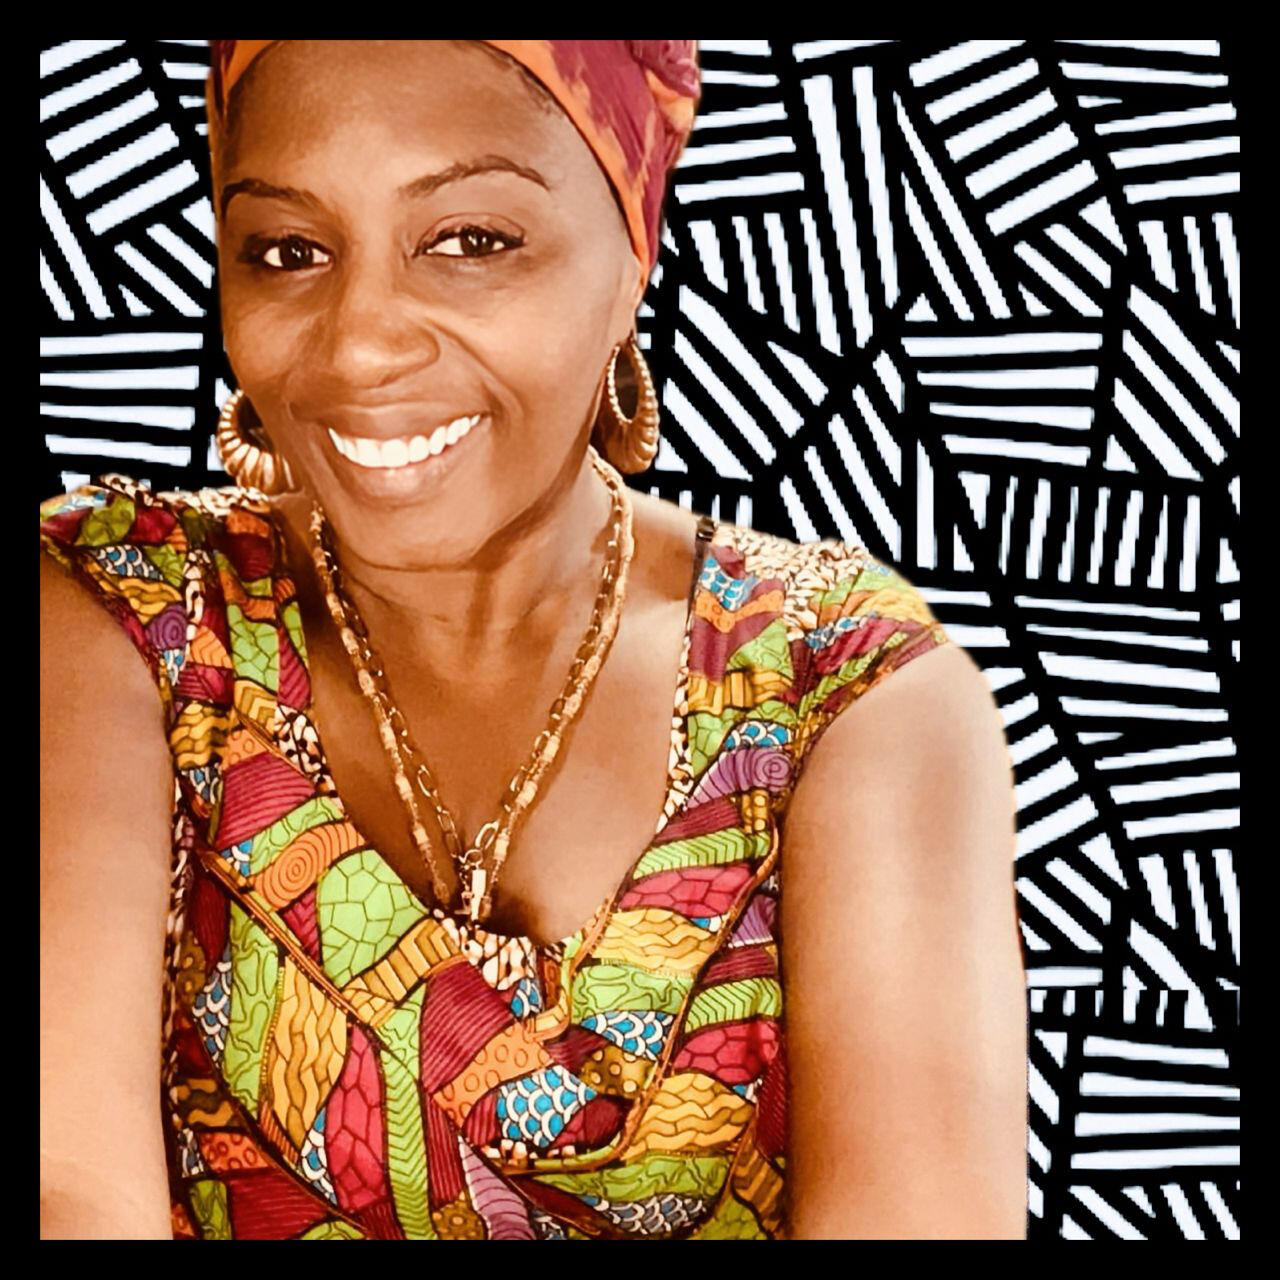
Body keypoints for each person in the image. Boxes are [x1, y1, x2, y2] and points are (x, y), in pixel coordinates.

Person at [39, 40, 1027, 1241]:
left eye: (470, 240)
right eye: (289, 250)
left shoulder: (839, 684)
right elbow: (65, 1185)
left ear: (631, 248)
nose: (358, 345)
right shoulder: (124, 612)